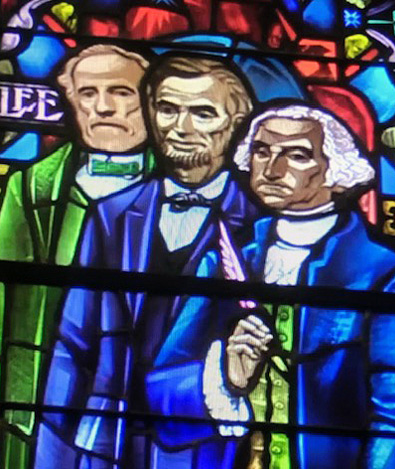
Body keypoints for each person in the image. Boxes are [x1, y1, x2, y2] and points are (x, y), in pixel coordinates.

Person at [147, 103, 395, 468]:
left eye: (297, 155)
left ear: (338, 172)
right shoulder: (226, 260)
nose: (272, 169)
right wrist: (224, 376)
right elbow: (158, 398)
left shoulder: (385, 277)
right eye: (262, 151)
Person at [35, 55, 259, 468]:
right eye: (167, 109)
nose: (181, 128)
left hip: (209, 447)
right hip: (111, 440)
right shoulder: (112, 215)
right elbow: (73, 345)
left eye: (203, 113)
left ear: (237, 122)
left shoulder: (259, 228)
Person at [0, 44, 154, 456]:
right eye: (88, 94)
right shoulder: (31, 189)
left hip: (148, 417)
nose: (104, 108)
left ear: (151, 102)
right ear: (71, 101)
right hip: (43, 410)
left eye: (122, 92)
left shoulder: (188, 195)